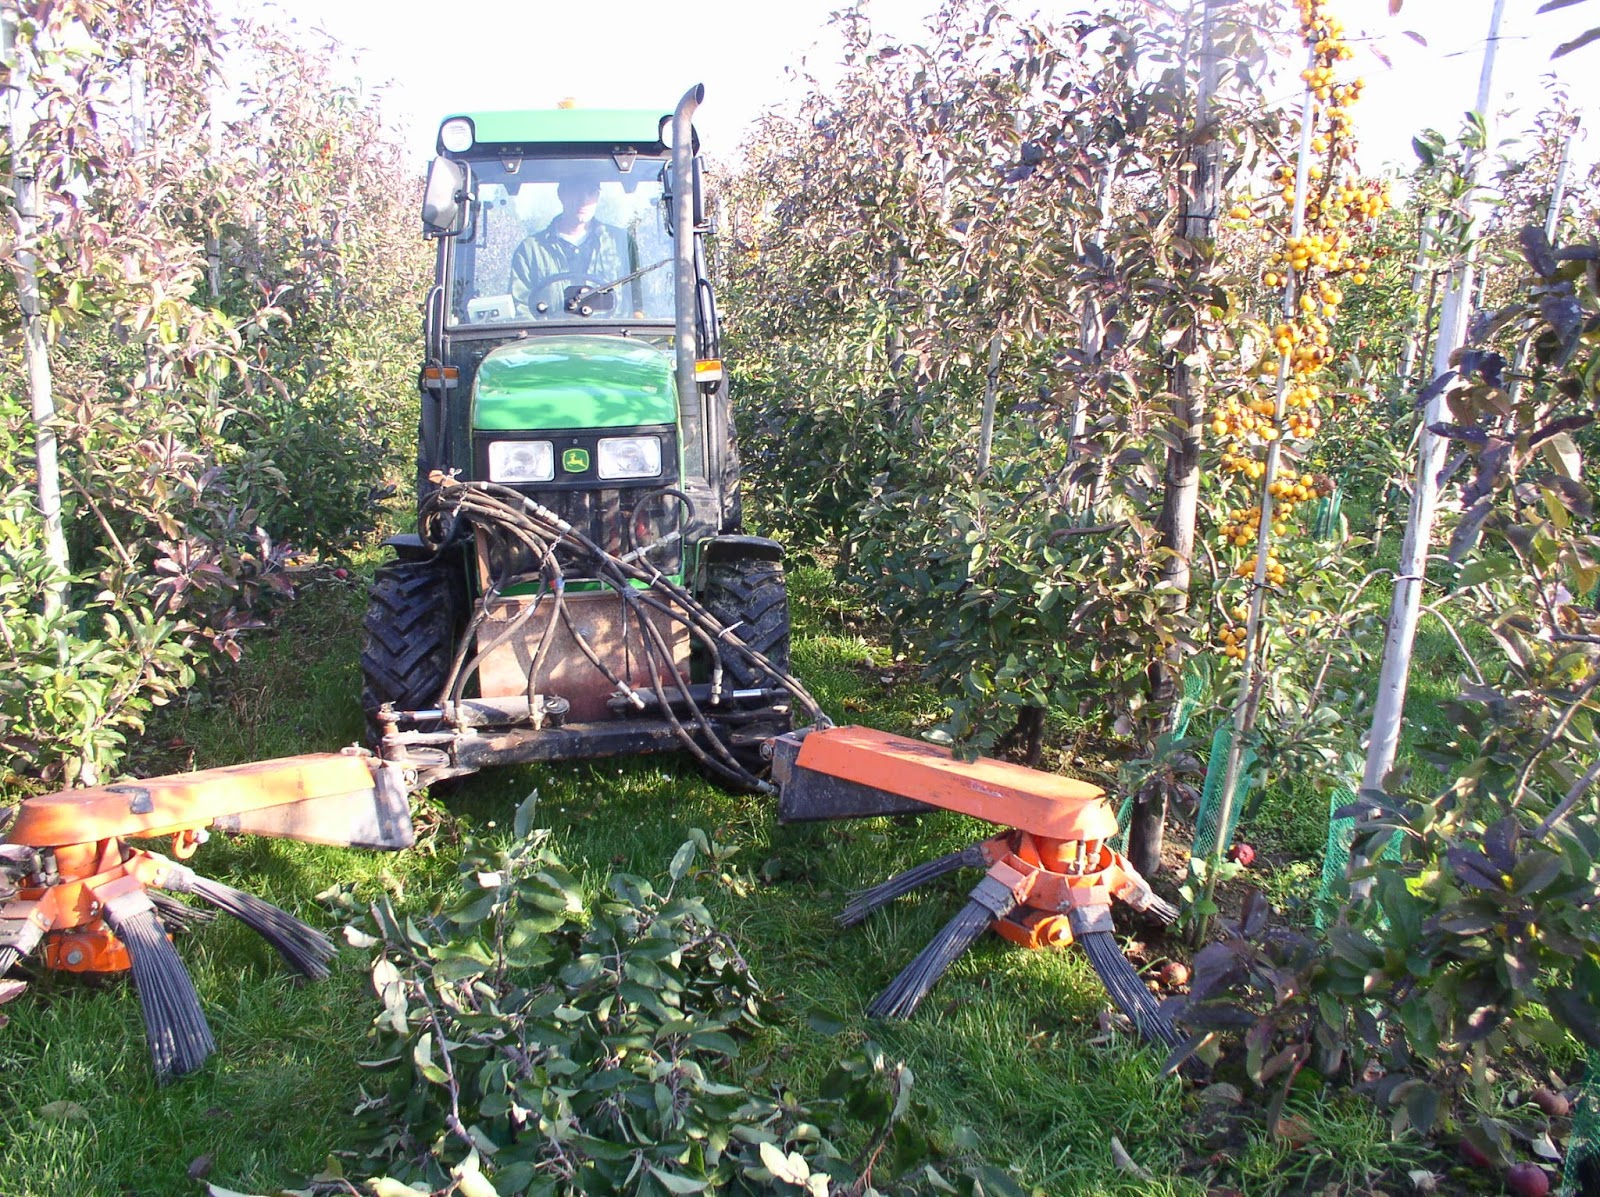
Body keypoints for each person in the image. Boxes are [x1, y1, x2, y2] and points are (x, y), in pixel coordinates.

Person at [510, 174, 635, 317]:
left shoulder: (620, 243)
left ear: (598, 196)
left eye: (590, 193)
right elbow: (520, 308)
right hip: (549, 337)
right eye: (575, 192)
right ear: (561, 195)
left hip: (612, 336)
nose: (583, 201)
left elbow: (640, 300)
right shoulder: (530, 250)